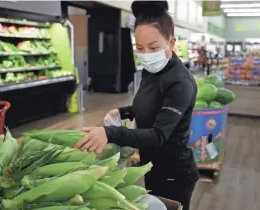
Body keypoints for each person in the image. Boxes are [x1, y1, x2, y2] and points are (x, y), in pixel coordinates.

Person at [75, 1, 199, 209]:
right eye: (139, 47)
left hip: (174, 173)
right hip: (151, 165)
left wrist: (109, 133)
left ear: (172, 42)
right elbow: (150, 105)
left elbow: (158, 135)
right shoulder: (152, 70)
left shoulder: (180, 83)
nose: (147, 54)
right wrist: (123, 112)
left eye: (154, 47)